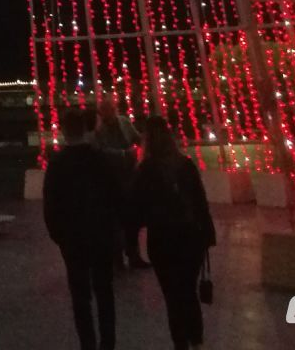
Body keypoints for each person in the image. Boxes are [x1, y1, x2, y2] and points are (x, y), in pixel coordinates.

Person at [131, 117, 215, 350]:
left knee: (172, 296)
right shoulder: (185, 165)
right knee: (188, 291)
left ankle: (181, 342)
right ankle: (196, 340)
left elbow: (137, 208)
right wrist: (207, 235)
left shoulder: (146, 170)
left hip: (163, 240)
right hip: (191, 238)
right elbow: (200, 202)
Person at [42, 107, 118, 350]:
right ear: (85, 128)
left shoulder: (58, 163)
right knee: (104, 291)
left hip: (73, 238)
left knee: (80, 294)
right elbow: (115, 196)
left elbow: (51, 203)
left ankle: (88, 343)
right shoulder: (100, 159)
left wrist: (59, 235)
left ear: (64, 130)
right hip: (101, 235)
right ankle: (108, 342)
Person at [92, 94, 145, 268]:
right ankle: (118, 257)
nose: (106, 115)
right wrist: (124, 154)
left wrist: (141, 149)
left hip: (129, 176)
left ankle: (133, 254)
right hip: (113, 180)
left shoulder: (124, 122)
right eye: (103, 112)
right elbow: (102, 152)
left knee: (131, 219)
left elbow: (137, 138)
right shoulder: (99, 131)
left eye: (108, 111)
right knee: (116, 221)